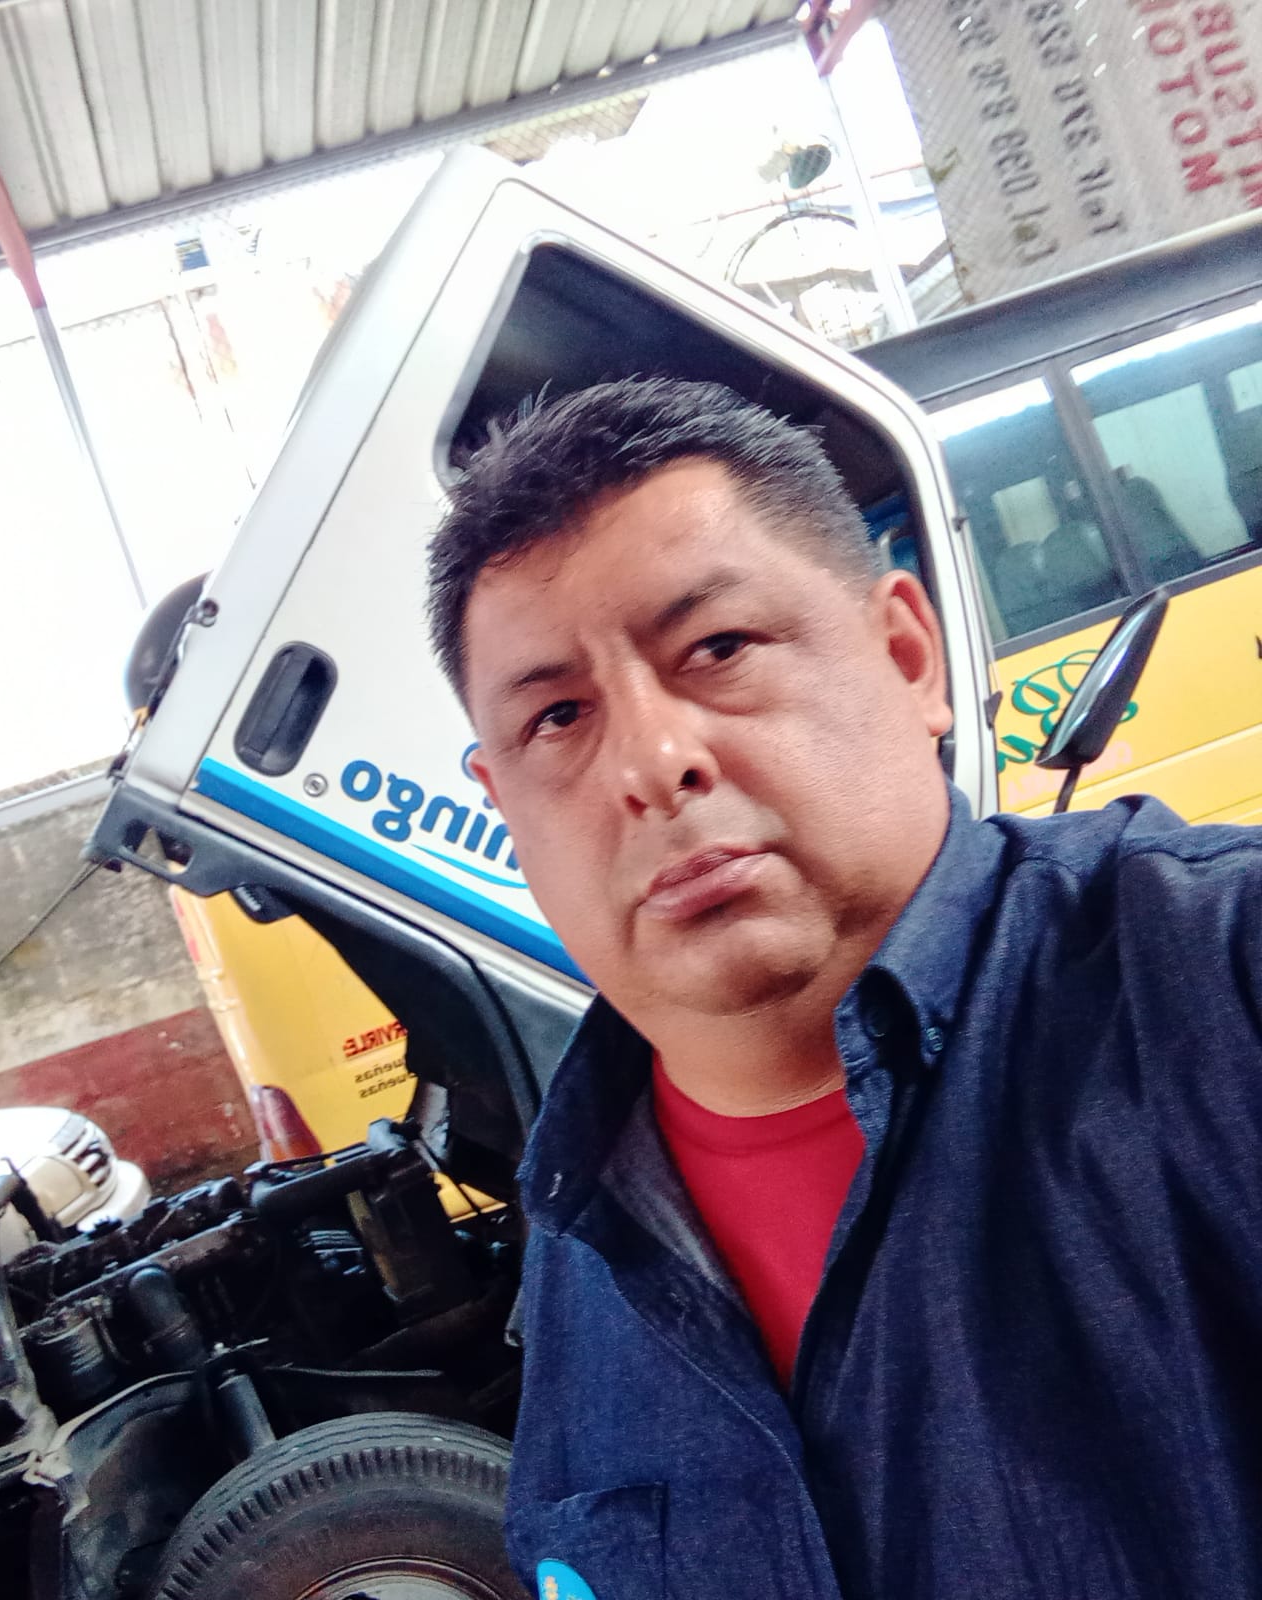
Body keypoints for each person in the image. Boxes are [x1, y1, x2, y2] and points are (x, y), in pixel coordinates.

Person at [424, 376, 1262, 1600]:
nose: (653, 761)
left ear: (906, 653)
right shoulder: (582, 1231)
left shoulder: (1216, 984)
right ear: (503, 806)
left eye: (717, 648)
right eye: (557, 716)